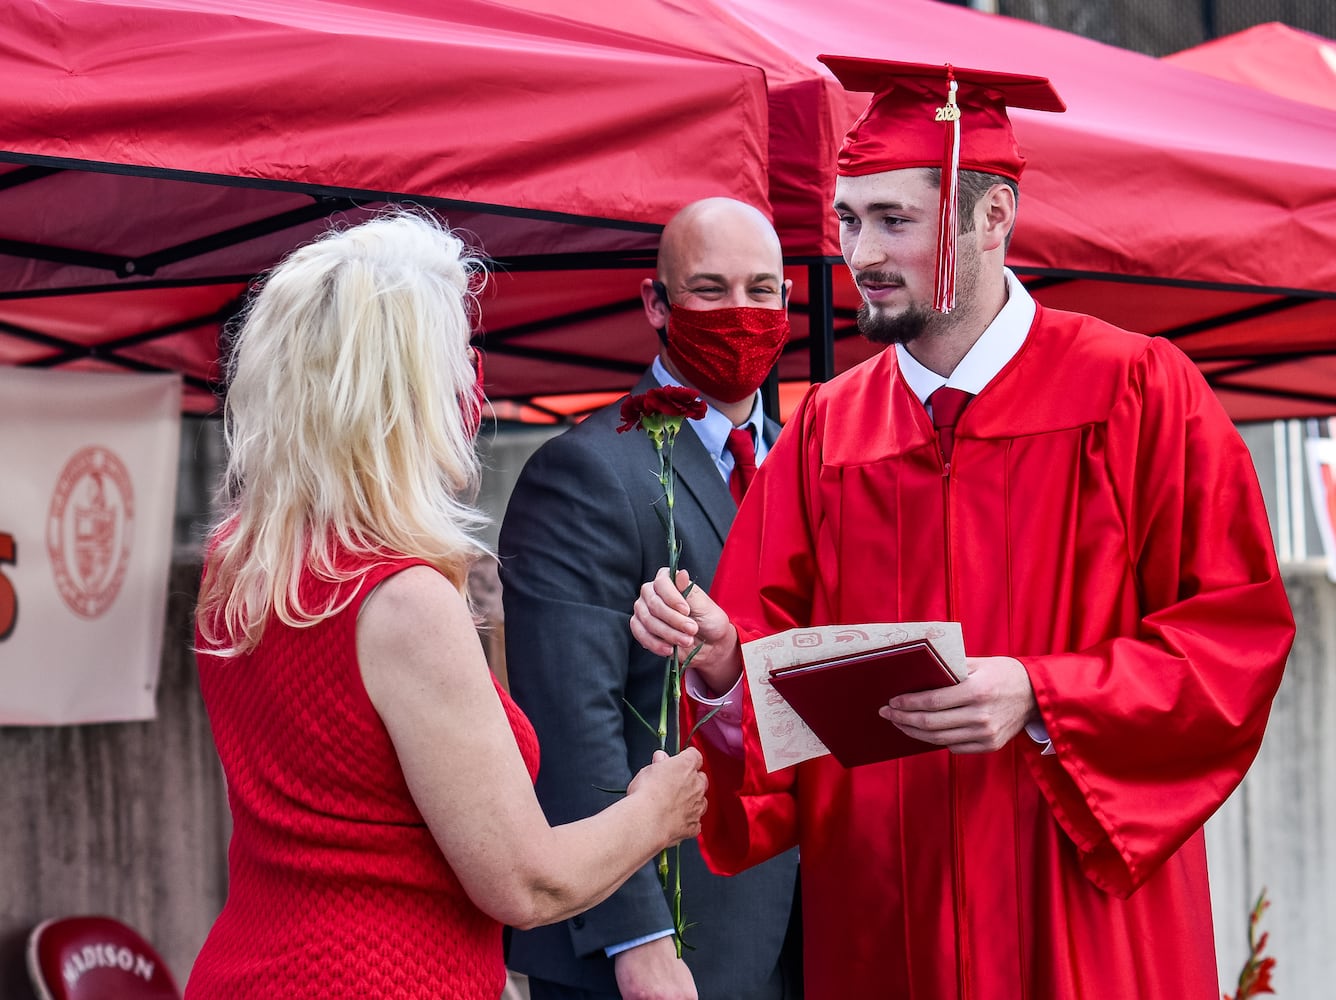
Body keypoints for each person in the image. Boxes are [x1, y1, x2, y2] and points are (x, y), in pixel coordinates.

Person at [631, 57, 1295, 999]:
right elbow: (769, 684)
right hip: (883, 922)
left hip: (1076, 912)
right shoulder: (829, 430)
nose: (859, 255)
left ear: (993, 218)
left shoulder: (1137, 391)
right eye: (849, 221)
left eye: (895, 220)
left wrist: (1042, 693)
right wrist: (723, 668)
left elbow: (1234, 641)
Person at [187, 210, 708, 1000]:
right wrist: (657, 812)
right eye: (461, 353)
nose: (474, 376)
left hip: (251, 964)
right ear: (406, 391)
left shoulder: (241, 564)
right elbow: (526, 883)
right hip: (377, 977)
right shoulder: (401, 599)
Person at [499, 197, 802, 1000]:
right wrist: (638, 943)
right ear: (655, 304)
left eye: (762, 290)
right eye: (710, 290)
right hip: (663, 948)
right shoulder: (587, 472)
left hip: (805, 921)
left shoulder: (812, 464)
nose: (741, 314)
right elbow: (569, 722)